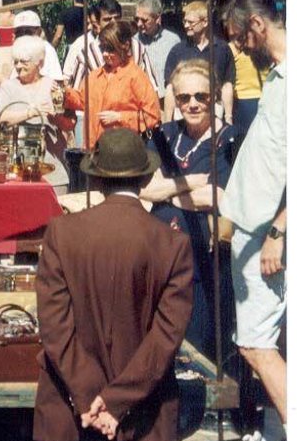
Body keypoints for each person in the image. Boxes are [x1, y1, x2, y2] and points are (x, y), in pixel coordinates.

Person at [34, 128, 194, 441]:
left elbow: (55, 328)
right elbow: (165, 339)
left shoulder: (61, 233)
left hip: (69, 411)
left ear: (95, 179)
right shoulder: (173, 244)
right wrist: (112, 402)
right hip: (144, 416)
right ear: (145, 180)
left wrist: (90, 398)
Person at [140, 59, 236, 372]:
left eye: (201, 96)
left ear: (215, 97)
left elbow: (218, 196)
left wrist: (169, 189)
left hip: (201, 259)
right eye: (184, 98)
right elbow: (146, 189)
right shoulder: (164, 134)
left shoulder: (230, 140)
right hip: (158, 253)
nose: (192, 104)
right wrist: (194, 181)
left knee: (197, 340)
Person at [218, 0, 287, 424]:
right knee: (260, 343)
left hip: (269, 236)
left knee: (257, 347)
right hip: (255, 230)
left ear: (256, 26)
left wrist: (279, 231)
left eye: (241, 38)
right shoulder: (279, 76)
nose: (240, 48)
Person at [64, 19, 161, 148]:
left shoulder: (136, 76)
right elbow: (83, 101)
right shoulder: (94, 76)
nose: (105, 54)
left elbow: (152, 116)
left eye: (110, 49)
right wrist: (63, 93)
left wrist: (120, 117)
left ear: (125, 45)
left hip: (122, 151)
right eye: (103, 48)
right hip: (94, 150)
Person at [0, 36, 73, 190]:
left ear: (39, 63)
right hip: (18, 172)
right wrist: (30, 112)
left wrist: (56, 117)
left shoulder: (53, 86)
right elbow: (0, 117)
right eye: (16, 61)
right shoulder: (8, 87)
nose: (18, 66)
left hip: (53, 171)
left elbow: (68, 124)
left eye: (24, 61)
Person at [64, 0, 159, 92]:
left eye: (117, 18)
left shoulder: (137, 49)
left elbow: (152, 89)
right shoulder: (86, 56)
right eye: (107, 19)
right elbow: (76, 96)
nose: (113, 23)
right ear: (97, 23)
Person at [163, 0, 235, 124]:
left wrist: (228, 119)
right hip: (184, 109)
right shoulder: (177, 51)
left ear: (205, 22)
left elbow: (227, 85)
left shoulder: (222, 49)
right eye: (184, 21)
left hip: (214, 110)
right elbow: (170, 88)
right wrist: (168, 125)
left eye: (190, 22)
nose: (186, 25)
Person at [134, 0, 182, 101]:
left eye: (144, 20)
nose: (139, 24)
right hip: (143, 101)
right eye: (136, 19)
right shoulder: (133, 42)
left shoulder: (172, 41)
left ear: (157, 19)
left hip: (167, 100)